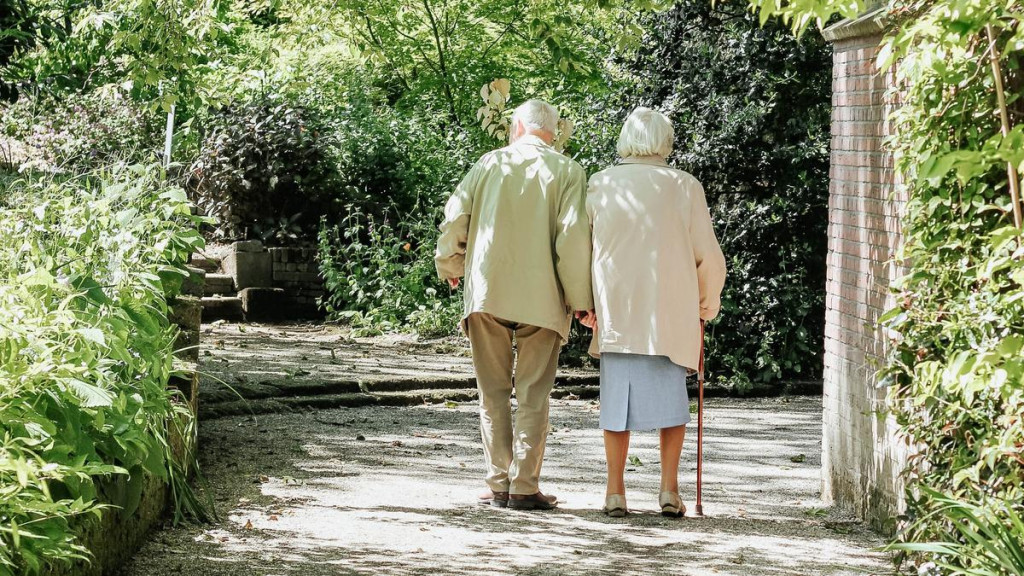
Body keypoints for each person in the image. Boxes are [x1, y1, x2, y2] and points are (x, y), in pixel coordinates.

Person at [435, 99, 595, 511]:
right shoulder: (568, 171)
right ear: (553, 132)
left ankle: (497, 483)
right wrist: (581, 301)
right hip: (543, 298)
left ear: (517, 127)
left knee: (492, 392)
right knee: (533, 394)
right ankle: (524, 486)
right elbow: (573, 240)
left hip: (488, 292)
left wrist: (450, 263)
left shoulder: (488, 164)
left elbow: (456, 219)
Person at [583, 107, 726, 518]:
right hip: (670, 310)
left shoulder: (601, 183)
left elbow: (583, 249)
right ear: (666, 141)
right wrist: (707, 301)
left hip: (618, 309)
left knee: (615, 405)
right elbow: (708, 256)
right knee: (672, 404)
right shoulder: (684, 186)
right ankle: (668, 489)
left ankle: (615, 491)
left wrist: (585, 303)